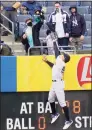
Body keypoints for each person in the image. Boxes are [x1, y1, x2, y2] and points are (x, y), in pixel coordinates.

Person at [42, 42, 73, 129]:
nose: (61, 56)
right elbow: (53, 66)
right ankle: (54, 114)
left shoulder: (61, 62)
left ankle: (68, 120)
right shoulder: (59, 63)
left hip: (58, 84)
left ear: (64, 58)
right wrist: (47, 61)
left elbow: (56, 52)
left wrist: (55, 42)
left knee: (62, 103)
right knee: (50, 99)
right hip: (54, 83)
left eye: (63, 56)